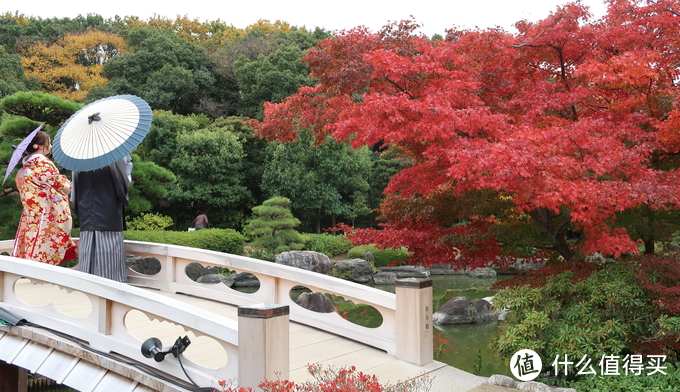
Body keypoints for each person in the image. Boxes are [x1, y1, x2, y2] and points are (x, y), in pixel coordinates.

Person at [12, 131, 77, 265]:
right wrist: (69, 182)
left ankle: (30, 270)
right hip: (47, 215)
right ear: (39, 146)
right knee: (46, 243)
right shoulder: (43, 165)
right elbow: (63, 187)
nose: (51, 146)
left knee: (32, 241)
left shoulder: (22, 171)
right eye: (49, 143)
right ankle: (40, 272)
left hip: (31, 214)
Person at [72, 155, 132, 282]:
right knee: (109, 242)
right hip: (107, 197)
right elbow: (124, 174)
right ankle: (111, 281)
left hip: (85, 201)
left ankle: (88, 280)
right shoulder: (112, 147)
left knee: (88, 241)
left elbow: (75, 182)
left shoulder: (78, 152)